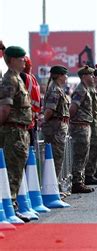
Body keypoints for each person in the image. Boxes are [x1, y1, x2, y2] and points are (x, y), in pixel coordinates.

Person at [0, 46, 33, 222]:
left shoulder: (17, 79)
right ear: (12, 59)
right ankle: (9, 209)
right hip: (13, 132)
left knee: (17, 171)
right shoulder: (10, 80)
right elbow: (5, 108)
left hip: (20, 131)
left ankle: (11, 207)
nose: (24, 61)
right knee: (12, 171)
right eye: (21, 58)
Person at [69, 65, 95, 193]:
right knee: (80, 155)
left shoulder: (85, 89)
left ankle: (80, 181)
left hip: (84, 125)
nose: (92, 77)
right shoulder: (81, 90)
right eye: (90, 75)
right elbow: (73, 108)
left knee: (83, 155)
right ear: (84, 76)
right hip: (80, 126)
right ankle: (76, 182)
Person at [42, 65, 70, 180]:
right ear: (59, 76)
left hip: (57, 127)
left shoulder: (57, 88)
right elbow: (49, 110)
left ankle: (55, 186)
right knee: (56, 158)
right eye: (64, 75)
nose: (66, 77)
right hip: (55, 129)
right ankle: (53, 188)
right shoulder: (54, 89)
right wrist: (44, 121)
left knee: (57, 158)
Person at [84, 68, 97, 185]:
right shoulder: (88, 90)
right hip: (89, 123)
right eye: (95, 76)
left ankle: (92, 173)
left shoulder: (93, 90)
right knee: (90, 150)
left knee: (95, 149)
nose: (96, 78)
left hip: (94, 123)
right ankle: (88, 175)